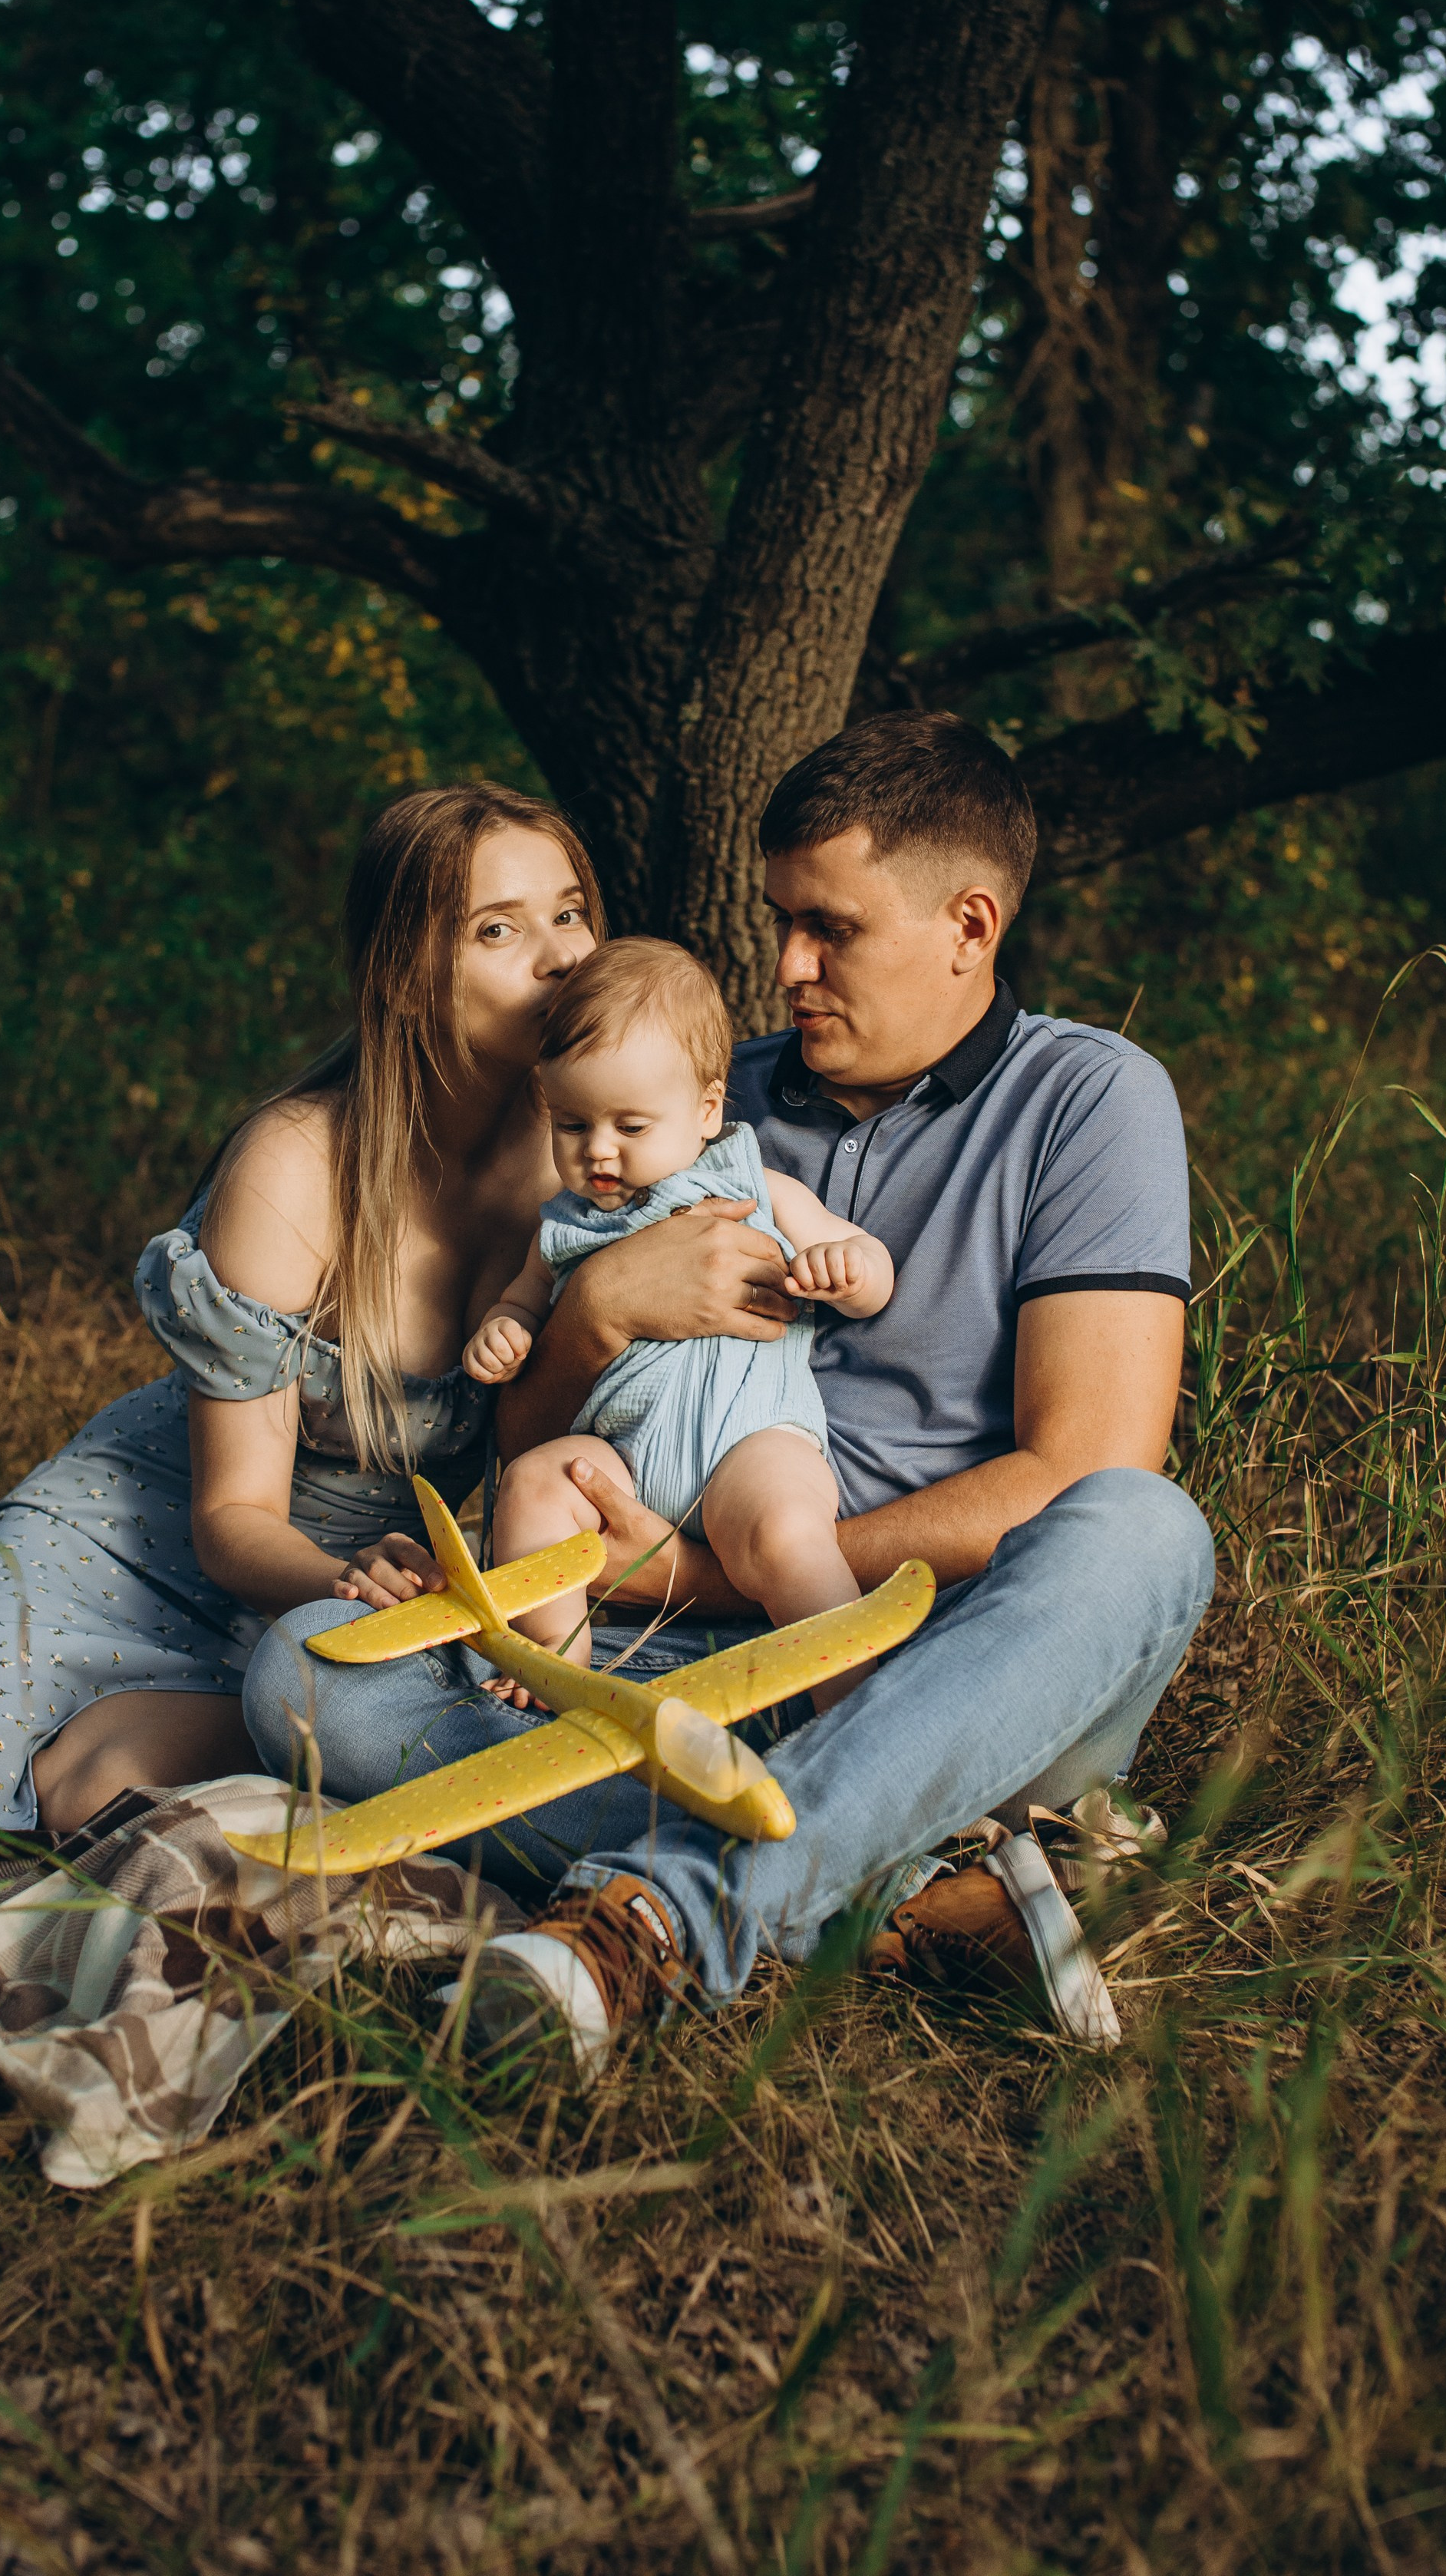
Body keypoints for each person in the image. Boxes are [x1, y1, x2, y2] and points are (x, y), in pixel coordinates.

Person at [241, 710, 1215, 2079]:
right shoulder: (689, 1096)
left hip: (937, 1662)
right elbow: (527, 1441)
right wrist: (595, 1315)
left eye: (830, 931)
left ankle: (655, 1922)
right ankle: (913, 1890)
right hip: (664, 1670)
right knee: (299, 1677)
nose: (786, 970)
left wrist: (694, 1574)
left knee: (1144, 1529)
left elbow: (1073, 1471)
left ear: (971, 924)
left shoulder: (1087, 1099)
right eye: (777, 925)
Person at [0, 786, 599, 1835]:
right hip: (139, 1545)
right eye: (500, 929)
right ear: (404, 975)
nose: (560, 958)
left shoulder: (598, 1163)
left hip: (316, 1614)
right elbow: (231, 1521)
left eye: (571, 913)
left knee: (76, 1799)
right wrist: (353, 1578)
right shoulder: (297, 1163)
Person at [464, 938, 894, 1671]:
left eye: (630, 1127)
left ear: (705, 1109)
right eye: (573, 1125)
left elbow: (869, 1267)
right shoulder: (565, 1225)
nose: (599, 1151)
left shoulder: (759, 1189)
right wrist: (504, 1331)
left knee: (787, 1532)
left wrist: (844, 1267)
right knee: (535, 1486)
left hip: (749, 1444)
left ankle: (849, 1691)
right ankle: (556, 1659)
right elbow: (523, 1302)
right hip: (620, 1460)